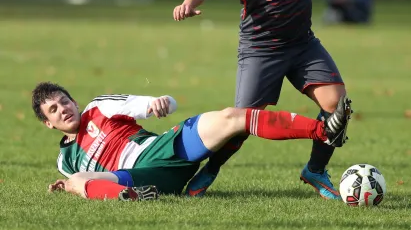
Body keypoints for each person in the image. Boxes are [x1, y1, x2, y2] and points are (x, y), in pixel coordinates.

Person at [173, 0, 377, 200]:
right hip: (260, 51)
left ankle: (315, 170)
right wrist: (188, 3)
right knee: (242, 122)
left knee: (337, 107)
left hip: (303, 46)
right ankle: (210, 169)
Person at [32, 81, 352, 201]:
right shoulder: (65, 161)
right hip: (137, 178)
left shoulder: (98, 108)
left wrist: (158, 103)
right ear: (48, 123)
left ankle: (324, 131)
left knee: (232, 116)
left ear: (74, 101)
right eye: (54, 110)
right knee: (76, 179)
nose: (64, 109)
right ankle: (129, 197)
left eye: (64, 101)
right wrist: (70, 184)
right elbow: (83, 180)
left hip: (164, 149)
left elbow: (146, 104)